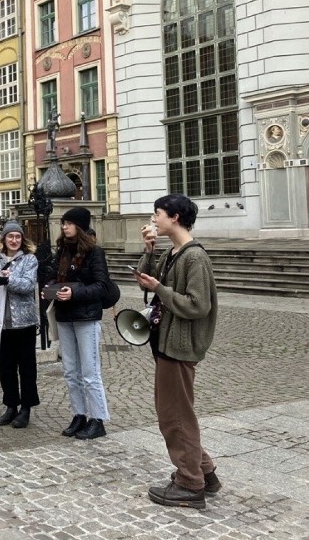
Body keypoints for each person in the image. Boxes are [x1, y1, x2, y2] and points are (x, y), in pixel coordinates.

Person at [134, 194, 219, 510]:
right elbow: (147, 284)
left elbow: (198, 306)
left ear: (175, 217)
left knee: (175, 416)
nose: (154, 219)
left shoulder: (194, 258)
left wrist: (159, 289)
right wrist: (148, 250)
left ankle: (189, 484)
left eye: (157, 214)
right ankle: (204, 472)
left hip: (180, 345)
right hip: (167, 341)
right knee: (177, 412)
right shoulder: (174, 252)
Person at [44, 207, 111, 440]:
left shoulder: (94, 252)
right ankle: (79, 414)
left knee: (90, 372)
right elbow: (52, 274)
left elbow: (101, 286)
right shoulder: (62, 250)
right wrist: (50, 286)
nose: (64, 226)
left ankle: (98, 419)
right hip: (64, 316)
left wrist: (74, 292)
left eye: (69, 223)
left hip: (86, 317)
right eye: (63, 223)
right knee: (71, 371)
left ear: (80, 226)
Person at [0, 221, 40, 429]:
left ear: (22, 240)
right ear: (3, 239)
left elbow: (28, 285)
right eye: (10, 237)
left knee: (26, 367)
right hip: (1, 324)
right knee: (6, 367)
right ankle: (11, 405)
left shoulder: (29, 260)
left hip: (24, 323)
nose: (14, 240)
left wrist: (8, 280)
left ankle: (26, 408)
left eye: (18, 237)